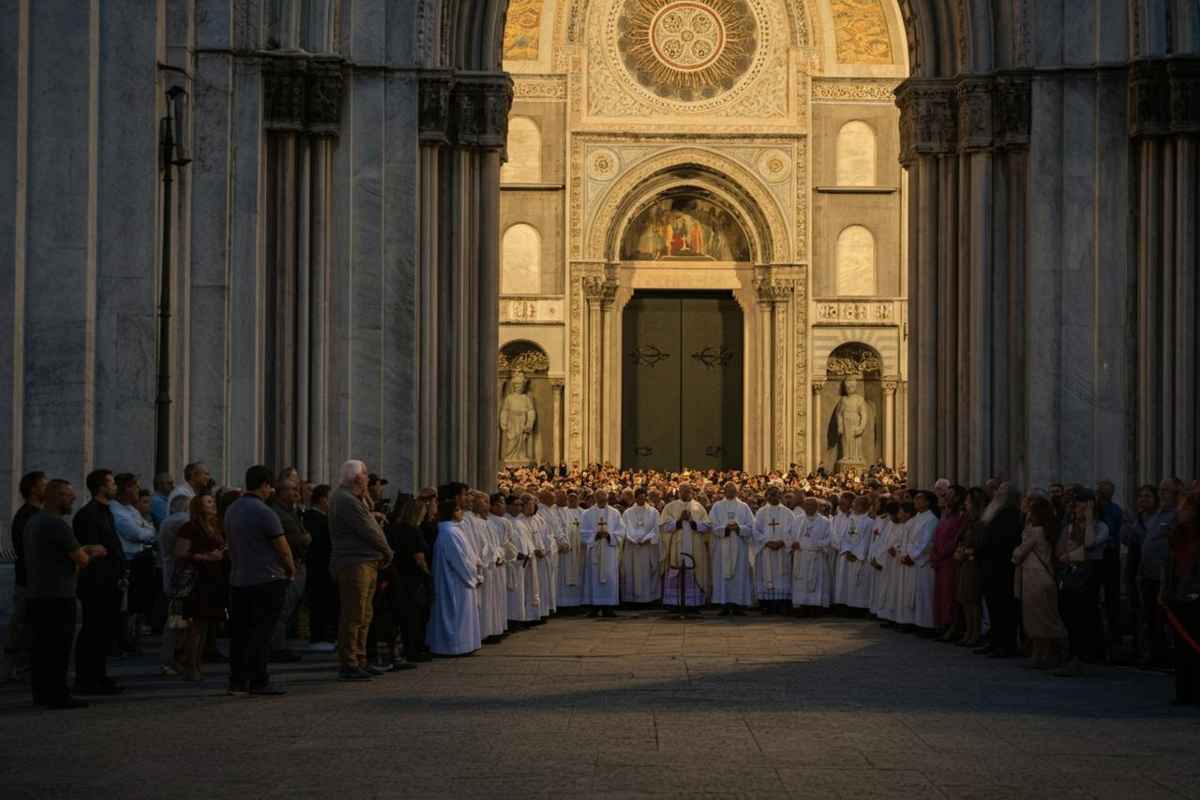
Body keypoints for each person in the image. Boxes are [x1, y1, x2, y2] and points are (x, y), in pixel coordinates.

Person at [25, 480, 108, 709]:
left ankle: (42, 695)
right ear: (56, 497)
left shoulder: (34, 521)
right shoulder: (57, 525)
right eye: (68, 495)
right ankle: (57, 695)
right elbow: (80, 559)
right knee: (58, 649)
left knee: (41, 650)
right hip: (58, 595)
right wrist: (94, 552)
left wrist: (83, 550)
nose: (72, 499)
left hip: (37, 594)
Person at [225, 465, 294, 696]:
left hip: (238, 578)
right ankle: (259, 680)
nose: (270, 491)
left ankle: (237, 681)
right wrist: (290, 569)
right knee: (262, 633)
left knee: (240, 633)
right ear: (264, 485)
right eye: (270, 486)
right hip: (267, 578)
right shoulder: (265, 512)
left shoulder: (232, 509)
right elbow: (282, 548)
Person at [329, 460, 394, 681]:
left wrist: (366, 498)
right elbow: (368, 530)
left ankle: (360, 658)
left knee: (364, 614)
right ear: (358, 478)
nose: (368, 479)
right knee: (353, 614)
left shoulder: (355, 499)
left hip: (365, 561)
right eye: (366, 476)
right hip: (354, 563)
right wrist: (388, 551)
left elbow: (368, 520)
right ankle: (349, 662)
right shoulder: (345, 500)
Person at [72, 469, 125, 694]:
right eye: (112, 483)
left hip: (110, 580)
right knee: (93, 630)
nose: (115, 487)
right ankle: (87, 678)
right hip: (96, 582)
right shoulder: (89, 514)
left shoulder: (106, 511)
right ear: (101, 487)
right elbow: (93, 549)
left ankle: (99, 675)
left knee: (104, 632)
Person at [173, 494, 228, 681]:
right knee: (195, 626)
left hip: (213, 579)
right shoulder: (190, 527)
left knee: (205, 626)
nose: (213, 504)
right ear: (198, 507)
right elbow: (180, 553)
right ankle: (190, 666)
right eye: (209, 502)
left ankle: (198, 663)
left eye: (213, 501)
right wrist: (205, 557)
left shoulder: (215, 527)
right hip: (198, 580)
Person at [1054, 491, 1109, 677]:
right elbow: (1060, 552)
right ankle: (1073, 656)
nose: (1079, 510)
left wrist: (1089, 520)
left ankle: (1082, 658)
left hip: (1089, 577)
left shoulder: (1101, 526)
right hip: (1070, 575)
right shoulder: (1069, 526)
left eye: (1084, 507)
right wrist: (1071, 554)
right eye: (1077, 506)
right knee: (1068, 614)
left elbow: (1090, 543)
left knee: (1083, 617)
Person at [1, 470, 48, 684]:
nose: (47, 489)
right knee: (20, 622)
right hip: (28, 579)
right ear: (33, 489)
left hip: (35, 578)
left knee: (29, 623)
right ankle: (11, 667)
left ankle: (22, 664)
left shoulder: (38, 513)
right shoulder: (26, 516)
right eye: (43, 485)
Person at [1013, 497, 1067, 669]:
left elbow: (1018, 554)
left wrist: (1016, 549)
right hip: (1046, 577)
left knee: (1036, 619)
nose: (1027, 513)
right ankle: (1048, 654)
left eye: (1030, 510)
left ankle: (1040, 655)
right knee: (1046, 616)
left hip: (1034, 579)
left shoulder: (1035, 531)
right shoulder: (1049, 530)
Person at [426, 498, 483, 656]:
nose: (461, 512)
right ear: (451, 513)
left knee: (461, 613)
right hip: (456, 581)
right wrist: (473, 576)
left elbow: (466, 555)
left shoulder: (454, 530)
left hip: (459, 579)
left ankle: (463, 645)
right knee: (455, 613)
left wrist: (475, 564)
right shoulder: (449, 532)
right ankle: (454, 646)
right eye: (458, 509)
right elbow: (459, 560)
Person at [110, 473, 159, 654]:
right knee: (127, 605)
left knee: (138, 604)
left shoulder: (131, 509)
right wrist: (147, 532)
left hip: (140, 559)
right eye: (135, 486)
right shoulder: (116, 511)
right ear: (126, 489)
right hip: (128, 561)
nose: (138, 490)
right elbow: (137, 533)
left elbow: (148, 528)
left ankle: (132, 639)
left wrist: (147, 532)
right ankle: (124, 640)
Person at [1135, 480, 1180, 668]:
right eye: (1160, 490)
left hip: (1166, 577)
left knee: (1165, 618)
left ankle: (1169, 657)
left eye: (1165, 491)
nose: (1162, 494)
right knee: (1151, 618)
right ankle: (1155, 654)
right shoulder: (1156, 515)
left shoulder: (1177, 515)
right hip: (1148, 575)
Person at [268, 477, 311, 662]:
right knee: (281, 608)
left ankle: (280, 644)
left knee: (288, 607)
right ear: (282, 492)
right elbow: (289, 538)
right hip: (286, 566)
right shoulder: (277, 513)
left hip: (297, 562)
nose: (297, 493)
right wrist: (304, 539)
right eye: (292, 489)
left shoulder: (292, 511)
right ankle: (276, 648)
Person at [975, 485, 1023, 657]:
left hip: (1001, 569)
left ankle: (1006, 644)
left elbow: (1002, 542)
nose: (996, 494)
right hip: (990, 567)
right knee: (993, 607)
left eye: (1001, 492)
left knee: (1004, 608)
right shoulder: (995, 513)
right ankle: (995, 641)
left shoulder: (1010, 515)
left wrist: (984, 547)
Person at [1162, 493, 1199, 705]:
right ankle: (1183, 691)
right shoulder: (1177, 535)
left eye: (1184, 507)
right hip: (1177, 597)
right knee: (1180, 648)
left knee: (1193, 645)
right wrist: (1164, 590)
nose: (1179, 511)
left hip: (1194, 598)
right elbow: (1169, 565)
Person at [389, 495, 433, 663]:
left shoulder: (396, 528)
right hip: (415, 578)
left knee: (405, 615)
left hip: (400, 576)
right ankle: (414, 650)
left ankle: (407, 648)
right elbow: (419, 558)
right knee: (416, 616)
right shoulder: (414, 531)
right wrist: (428, 574)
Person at [660, 484, 711, 609]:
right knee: (677, 570)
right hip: (677, 546)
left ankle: (693, 603)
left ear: (692, 492)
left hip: (695, 547)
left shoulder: (698, 507)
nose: (686, 493)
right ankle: (675, 603)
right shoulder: (670, 507)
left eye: (688, 491)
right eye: (683, 491)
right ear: (679, 492)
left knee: (693, 571)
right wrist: (678, 521)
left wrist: (693, 522)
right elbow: (664, 526)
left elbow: (707, 526)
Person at [157, 494, 192, 676]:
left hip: (171, 573)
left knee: (176, 619)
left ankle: (173, 659)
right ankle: (171, 660)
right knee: (176, 621)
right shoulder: (184, 521)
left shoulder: (167, 521)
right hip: (180, 577)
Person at [709, 482, 755, 614]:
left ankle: (738, 605)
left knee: (739, 575)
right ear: (724, 491)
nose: (731, 492)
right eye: (728, 490)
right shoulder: (717, 507)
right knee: (722, 575)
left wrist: (739, 528)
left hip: (739, 546)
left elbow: (751, 526)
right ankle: (724, 604)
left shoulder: (744, 507)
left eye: (733, 490)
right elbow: (712, 525)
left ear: (737, 491)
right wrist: (725, 529)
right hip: (722, 545)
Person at [897, 491, 938, 634]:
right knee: (912, 594)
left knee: (923, 594)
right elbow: (906, 539)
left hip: (922, 563)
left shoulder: (931, 519)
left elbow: (926, 542)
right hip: (911, 561)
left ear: (928, 502)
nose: (915, 502)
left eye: (919, 499)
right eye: (915, 499)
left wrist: (912, 556)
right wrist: (905, 555)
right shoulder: (916, 518)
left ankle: (926, 625)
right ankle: (913, 621)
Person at [303, 484, 337, 651]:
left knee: (325, 602)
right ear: (323, 499)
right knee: (319, 602)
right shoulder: (314, 518)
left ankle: (325, 635)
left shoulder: (322, 518)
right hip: (318, 567)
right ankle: (318, 637)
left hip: (324, 566)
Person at [580, 489, 623, 617]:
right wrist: (595, 536)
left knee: (610, 577)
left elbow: (621, 531)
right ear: (595, 499)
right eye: (599, 498)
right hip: (595, 549)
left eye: (604, 498)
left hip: (609, 550)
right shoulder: (587, 514)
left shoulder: (615, 513)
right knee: (593, 577)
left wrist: (609, 535)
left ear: (607, 498)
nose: (602, 501)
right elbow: (583, 532)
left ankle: (608, 607)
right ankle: (594, 606)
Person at [753, 485, 795, 614]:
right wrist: (766, 542)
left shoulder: (788, 512)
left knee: (782, 576)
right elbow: (756, 530)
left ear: (780, 495)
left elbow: (793, 531)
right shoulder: (761, 512)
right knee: (766, 575)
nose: (773, 497)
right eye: (770, 494)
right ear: (766, 496)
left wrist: (782, 542)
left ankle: (782, 605)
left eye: (776, 494)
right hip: (766, 550)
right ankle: (767, 606)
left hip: (782, 550)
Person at [931, 486, 966, 639]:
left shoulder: (961, 516)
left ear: (958, 498)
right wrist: (933, 550)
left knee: (950, 595)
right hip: (940, 559)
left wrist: (941, 554)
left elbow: (956, 539)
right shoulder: (945, 515)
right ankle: (942, 624)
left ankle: (954, 627)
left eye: (950, 495)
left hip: (950, 561)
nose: (946, 497)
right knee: (941, 594)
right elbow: (937, 534)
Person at [953, 488, 986, 647]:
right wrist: (959, 549)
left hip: (974, 563)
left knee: (973, 600)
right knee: (964, 598)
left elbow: (980, 544)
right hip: (965, 562)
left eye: (967, 501)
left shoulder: (981, 521)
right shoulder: (968, 520)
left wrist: (966, 552)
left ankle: (975, 632)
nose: (965, 504)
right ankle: (968, 631)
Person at [620, 488, 661, 605]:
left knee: (647, 572)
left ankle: (648, 599)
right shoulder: (627, 513)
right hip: (632, 547)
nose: (642, 499)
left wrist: (646, 538)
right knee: (631, 572)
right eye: (639, 497)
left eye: (644, 497)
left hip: (647, 547)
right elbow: (624, 528)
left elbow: (656, 528)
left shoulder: (653, 512)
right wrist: (632, 539)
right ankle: (632, 600)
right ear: (635, 497)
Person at [792, 496, 832, 613]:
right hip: (801, 556)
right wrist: (793, 543)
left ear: (817, 507)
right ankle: (802, 607)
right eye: (807, 505)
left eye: (812, 505)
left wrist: (815, 545)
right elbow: (790, 535)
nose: (809, 508)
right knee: (801, 582)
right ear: (803, 506)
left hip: (816, 556)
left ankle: (815, 608)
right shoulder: (798, 520)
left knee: (816, 582)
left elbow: (828, 540)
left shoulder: (825, 522)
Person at [833, 495, 873, 613]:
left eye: (856, 504)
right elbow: (845, 536)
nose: (853, 506)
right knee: (847, 583)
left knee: (858, 583)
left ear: (863, 506)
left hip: (859, 558)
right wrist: (847, 550)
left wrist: (856, 553)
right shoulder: (852, 519)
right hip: (848, 555)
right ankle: (846, 606)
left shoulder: (869, 522)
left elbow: (866, 540)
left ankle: (858, 609)